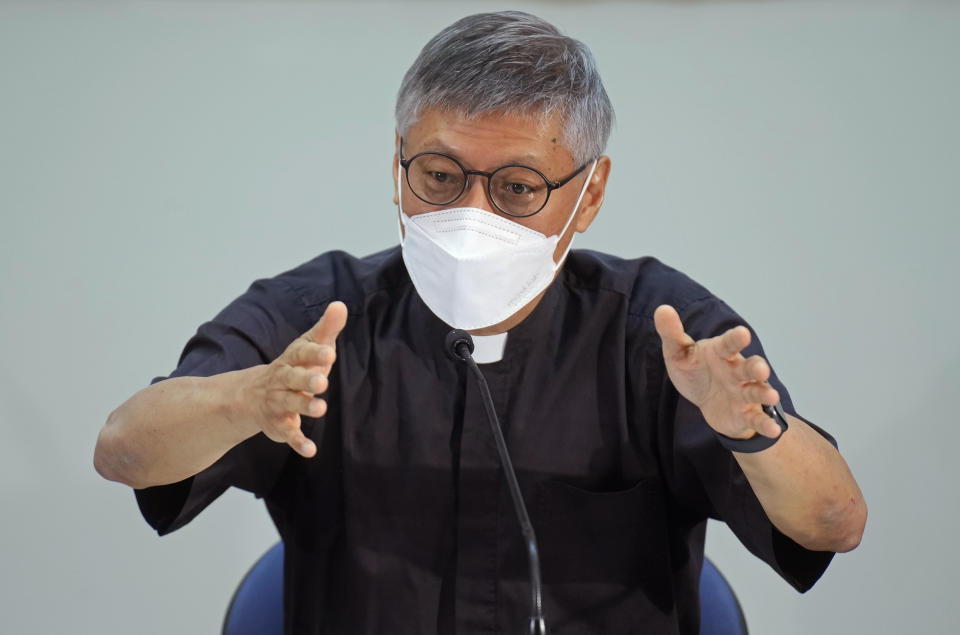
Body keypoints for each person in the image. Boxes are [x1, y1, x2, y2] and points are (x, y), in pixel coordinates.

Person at [94, 11, 866, 634]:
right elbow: (124, 449)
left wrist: (753, 433)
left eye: (519, 187)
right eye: (438, 176)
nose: (469, 213)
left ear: (589, 195)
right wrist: (242, 401)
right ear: (397, 165)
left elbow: (835, 520)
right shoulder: (317, 316)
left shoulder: (662, 335)